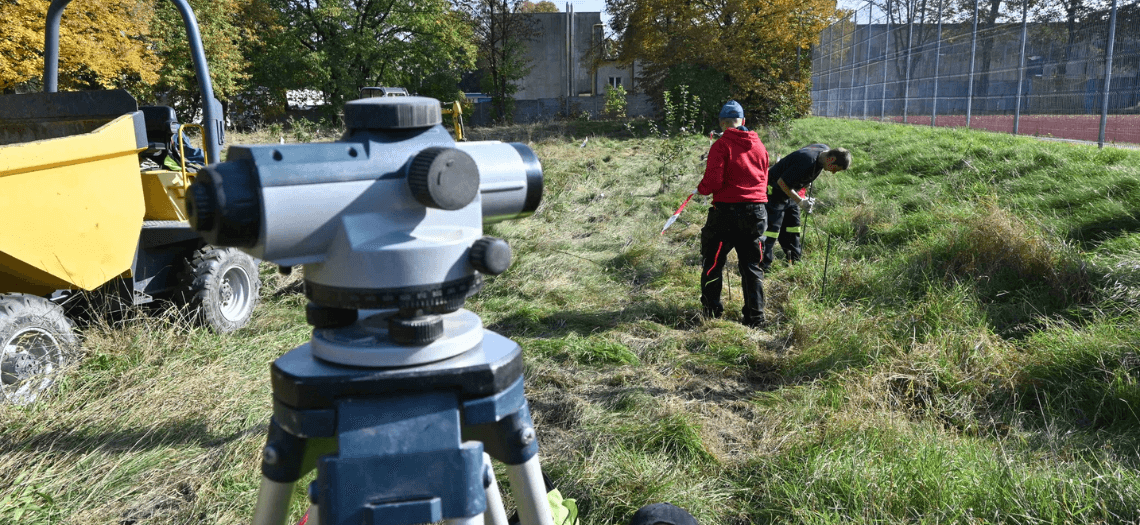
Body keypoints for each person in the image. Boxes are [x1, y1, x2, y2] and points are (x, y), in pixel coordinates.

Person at [696, 100, 770, 328]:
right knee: (751, 266)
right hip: (756, 213)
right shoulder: (760, 146)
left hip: (726, 214)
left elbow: (713, 182)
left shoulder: (720, 145)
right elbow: (763, 177)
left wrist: (702, 189)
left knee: (713, 262)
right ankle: (755, 318)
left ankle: (711, 312)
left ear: (721, 123)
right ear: (744, 122)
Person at [760, 144, 852, 272]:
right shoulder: (806, 161)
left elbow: (799, 174)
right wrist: (800, 201)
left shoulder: (823, 150)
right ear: (831, 159)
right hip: (775, 191)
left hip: (791, 192)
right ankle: (764, 267)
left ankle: (794, 262)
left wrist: (804, 192)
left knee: (792, 227)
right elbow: (782, 182)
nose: (833, 172)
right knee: (771, 231)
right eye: (835, 169)